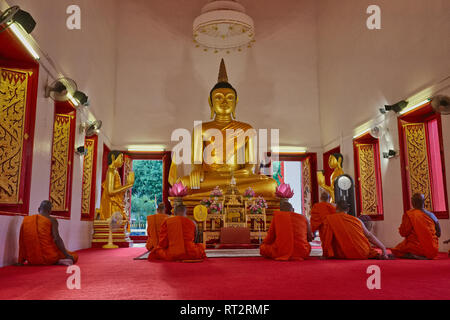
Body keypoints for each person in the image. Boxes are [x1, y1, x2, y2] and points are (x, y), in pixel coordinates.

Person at [320, 200, 389, 259]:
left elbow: (327, 239)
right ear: (347, 209)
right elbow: (369, 235)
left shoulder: (329, 219)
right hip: (362, 252)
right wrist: (383, 248)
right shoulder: (357, 220)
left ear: (336, 208)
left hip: (343, 254)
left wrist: (325, 254)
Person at [18, 200, 78, 266]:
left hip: (31, 259)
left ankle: (58, 261)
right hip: (49, 257)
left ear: (38, 209)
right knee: (74, 256)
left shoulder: (27, 220)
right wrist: (67, 254)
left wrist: (20, 261)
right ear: (50, 211)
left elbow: (22, 241)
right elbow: (56, 239)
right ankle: (57, 261)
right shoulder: (52, 220)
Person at [391, 193, 441, 260]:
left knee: (397, 250)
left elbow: (403, 233)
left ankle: (416, 255)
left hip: (417, 247)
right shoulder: (432, 215)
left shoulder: (410, 215)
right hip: (433, 249)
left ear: (412, 202)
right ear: (424, 201)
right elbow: (439, 234)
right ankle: (423, 255)